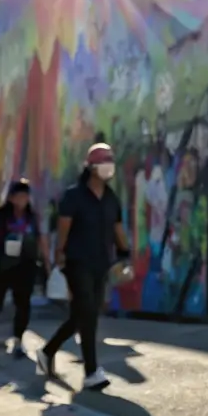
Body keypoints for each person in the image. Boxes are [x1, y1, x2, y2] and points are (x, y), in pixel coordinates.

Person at [37, 143, 130, 389]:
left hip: (102, 263)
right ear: (90, 167)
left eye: (110, 162)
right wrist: (59, 254)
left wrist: (125, 252)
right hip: (76, 262)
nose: (108, 167)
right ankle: (91, 372)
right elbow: (64, 227)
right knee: (87, 311)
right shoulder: (73, 196)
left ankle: (48, 350)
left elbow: (117, 228)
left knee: (84, 314)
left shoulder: (111, 198)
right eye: (103, 162)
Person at [0, 179, 48, 357]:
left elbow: (40, 239)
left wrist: (46, 262)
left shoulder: (31, 218)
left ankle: (18, 339)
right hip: (3, 264)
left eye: (26, 196)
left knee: (23, 303)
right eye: (19, 196)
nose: (23, 199)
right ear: (11, 198)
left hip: (26, 265)